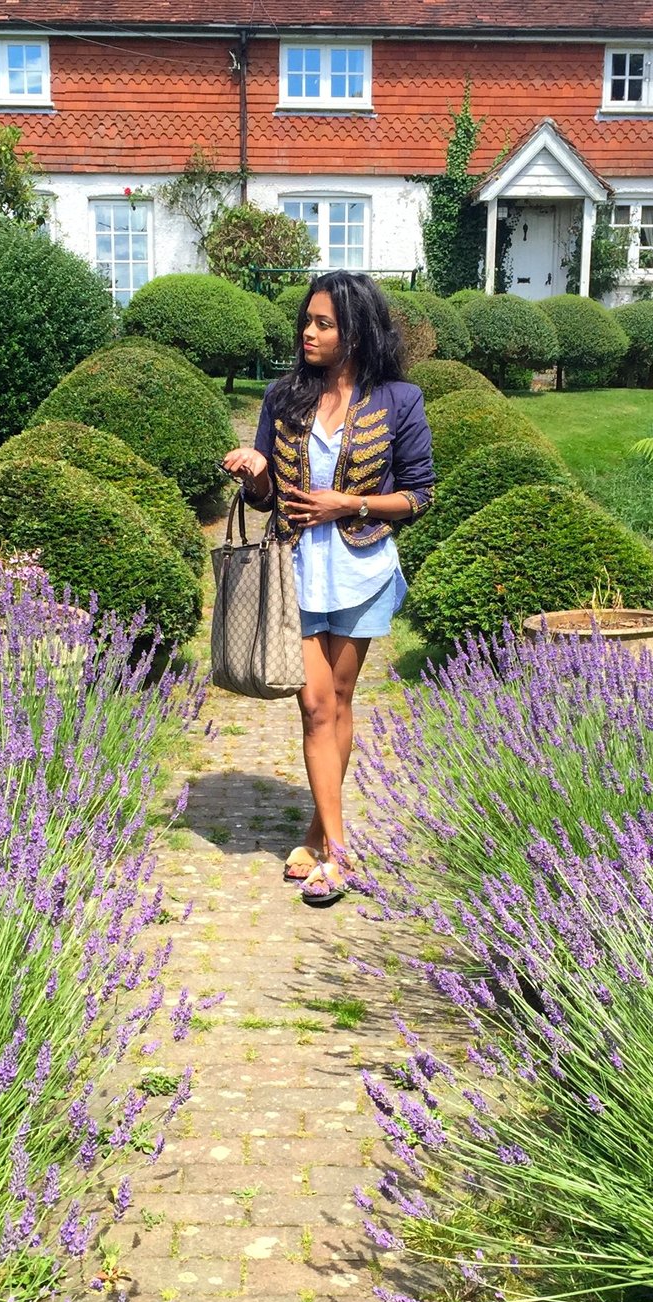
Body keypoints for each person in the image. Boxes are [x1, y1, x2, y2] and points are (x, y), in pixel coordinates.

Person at [220, 270, 434, 909]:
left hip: (361, 569)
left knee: (340, 700)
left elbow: (419, 495)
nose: (309, 333)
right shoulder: (283, 395)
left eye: (324, 324)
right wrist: (255, 471)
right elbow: (264, 493)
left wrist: (352, 502)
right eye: (306, 322)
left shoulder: (399, 399)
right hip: (294, 573)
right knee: (314, 705)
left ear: (356, 331)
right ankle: (340, 854)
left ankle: (317, 831)